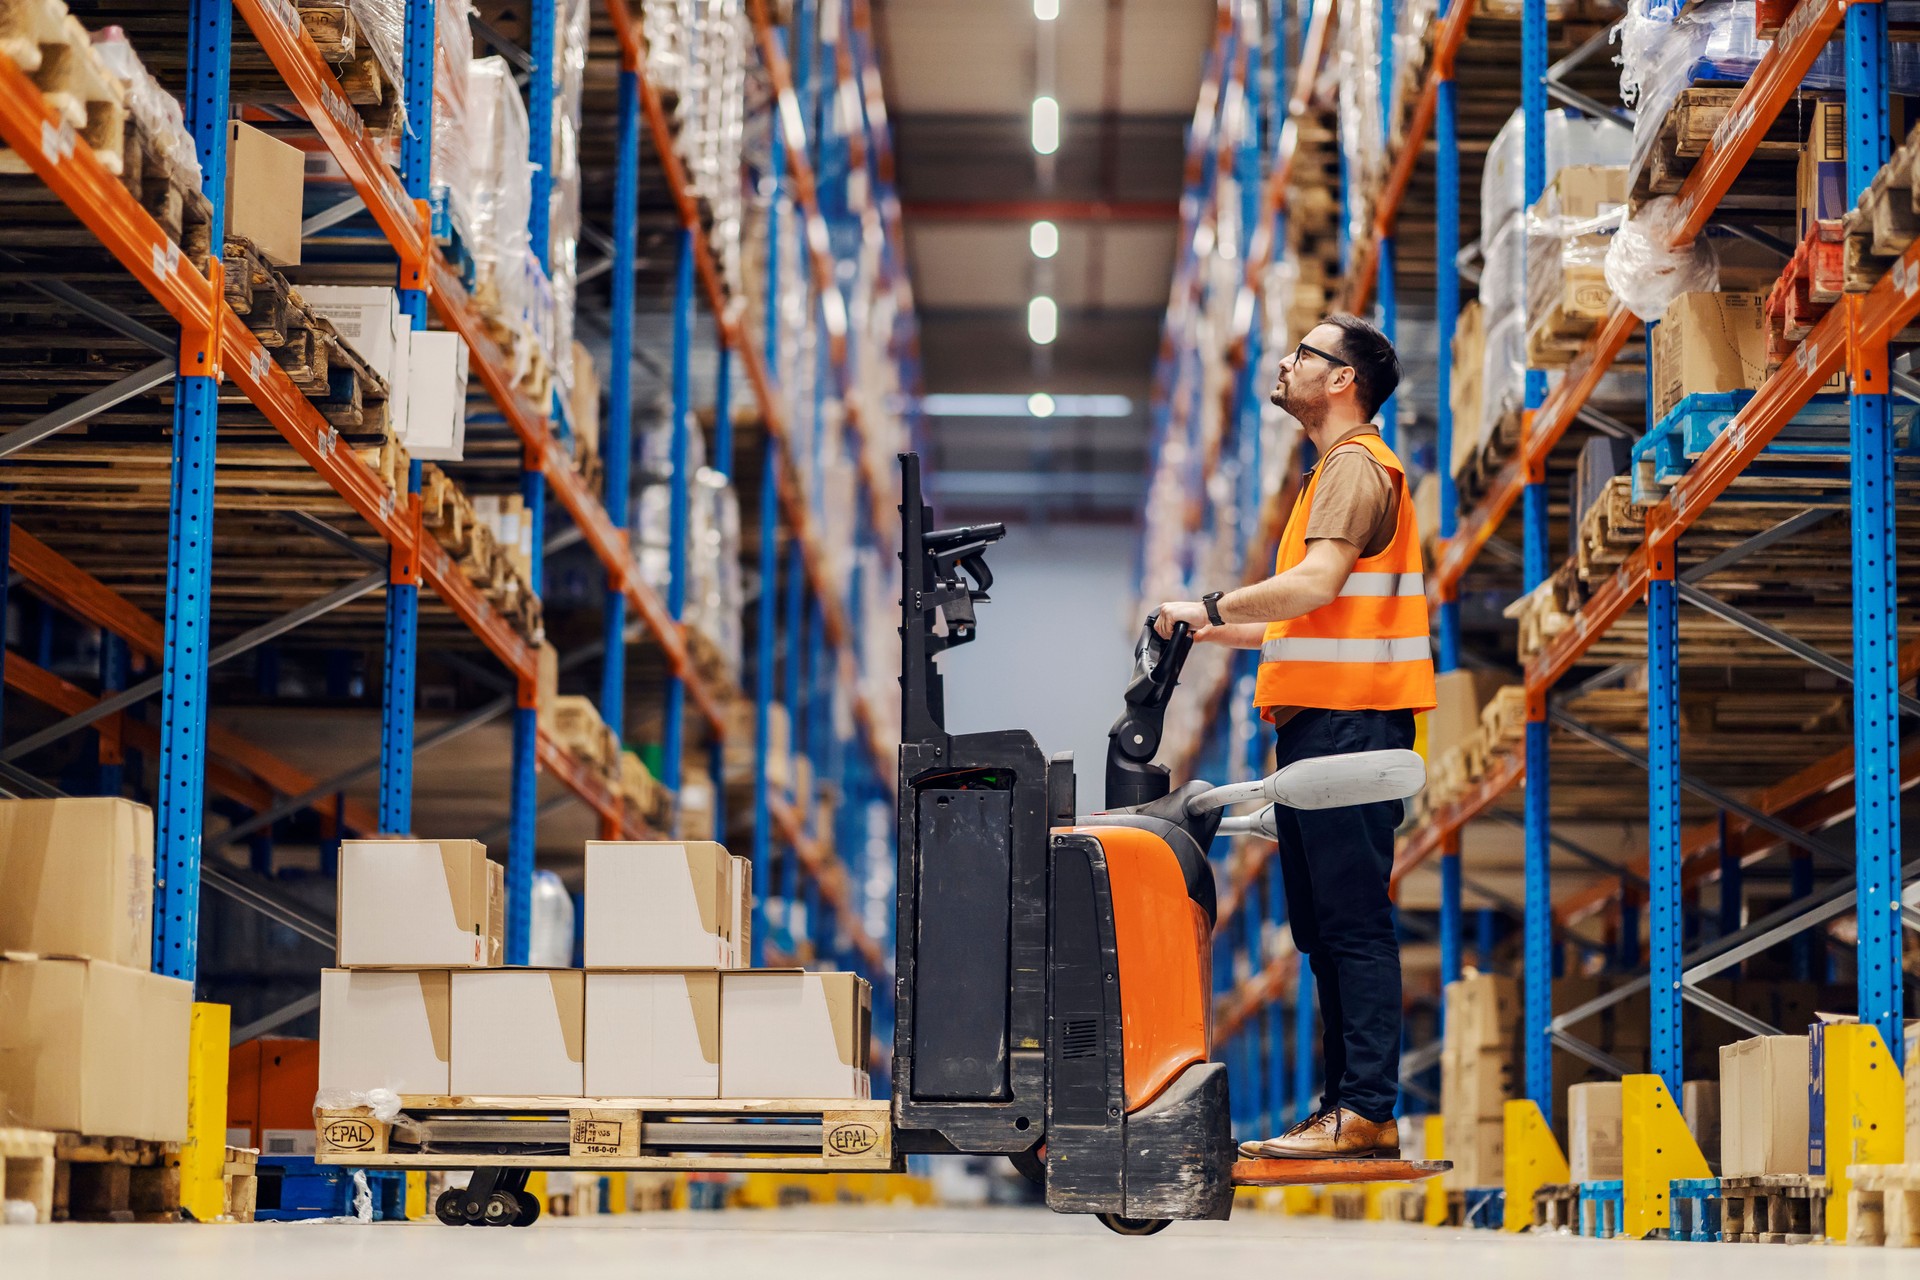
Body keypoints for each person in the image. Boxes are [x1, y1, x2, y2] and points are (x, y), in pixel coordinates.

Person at [1155, 314, 1435, 1160]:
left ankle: (1364, 1112)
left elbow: (1315, 584)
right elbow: (1307, 615)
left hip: (1353, 719)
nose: (1286, 362)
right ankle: (1342, 1109)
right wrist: (1212, 631)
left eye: (1305, 353)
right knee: (1319, 927)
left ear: (1342, 379)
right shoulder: (1332, 474)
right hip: (1325, 720)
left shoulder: (1355, 466)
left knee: (1350, 922)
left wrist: (1210, 606)